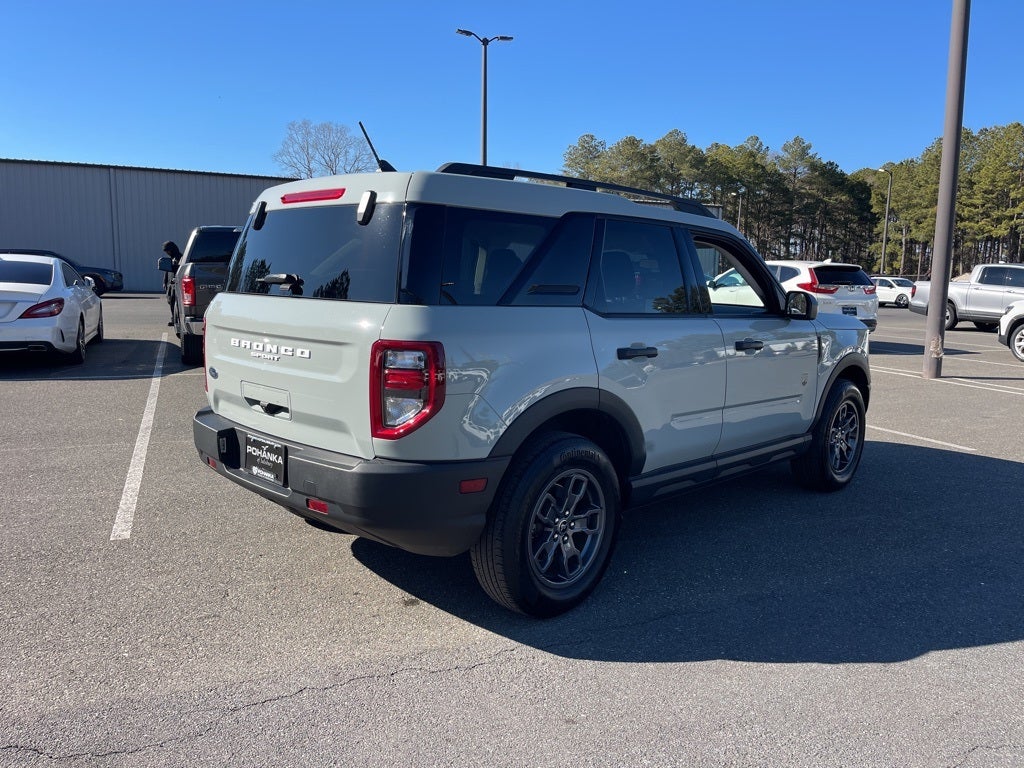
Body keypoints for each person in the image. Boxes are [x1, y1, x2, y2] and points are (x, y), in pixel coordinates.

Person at [161, 240, 182, 326]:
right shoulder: (171, 259)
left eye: (168, 251)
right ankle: (173, 318)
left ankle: (176, 320)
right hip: (170, 284)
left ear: (172, 249)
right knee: (170, 301)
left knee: (175, 302)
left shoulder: (180, 258)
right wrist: (164, 282)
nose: (167, 253)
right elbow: (166, 271)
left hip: (175, 284)